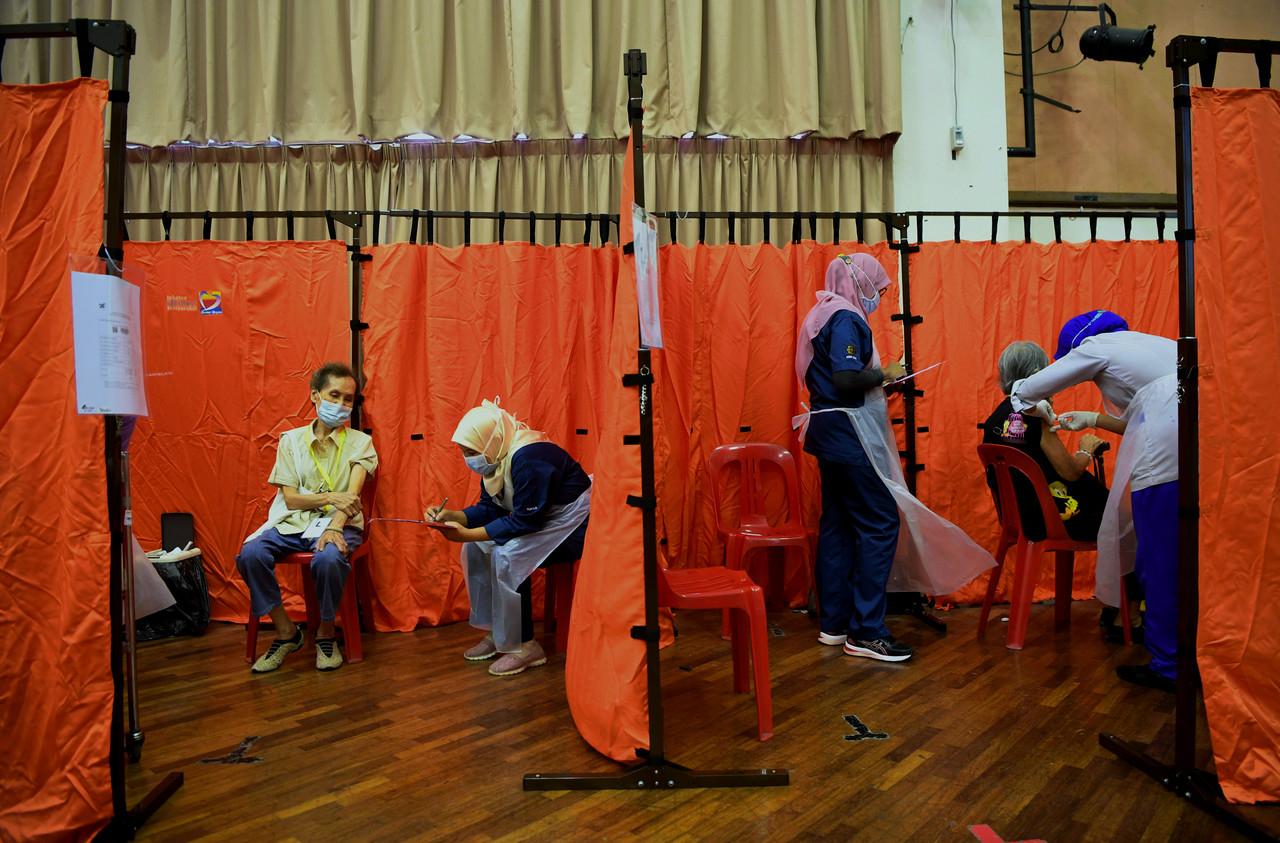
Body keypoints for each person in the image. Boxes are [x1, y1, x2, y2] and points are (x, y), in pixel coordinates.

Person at [793, 254, 994, 663]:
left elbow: (831, 377)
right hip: (847, 432)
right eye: (879, 288)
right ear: (859, 281)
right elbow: (846, 380)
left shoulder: (820, 313)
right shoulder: (845, 317)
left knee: (837, 523)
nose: (882, 295)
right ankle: (867, 632)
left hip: (827, 430)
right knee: (880, 520)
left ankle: (835, 624)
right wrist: (886, 374)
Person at [1010, 310, 1177, 692]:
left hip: (1165, 454)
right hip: (1197, 442)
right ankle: (1197, 652)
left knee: (1160, 559)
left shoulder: (1096, 346)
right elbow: (1146, 412)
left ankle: (1170, 665)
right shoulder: (1158, 347)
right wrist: (1092, 419)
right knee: (1185, 553)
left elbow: (1025, 390)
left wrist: (1038, 405)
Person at [426, 400, 591, 677]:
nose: (469, 459)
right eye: (464, 452)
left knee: (508, 554)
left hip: (576, 526)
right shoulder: (496, 455)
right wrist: (453, 516)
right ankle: (499, 632)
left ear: (491, 439)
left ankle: (525, 645)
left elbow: (526, 521)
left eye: (471, 451)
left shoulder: (530, 457)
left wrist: (465, 534)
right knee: (477, 547)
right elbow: (491, 507)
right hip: (544, 520)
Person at [236, 362, 378, 673]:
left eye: (348, 399)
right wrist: (329, 496)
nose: (341, 405)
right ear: (315, 395)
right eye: (334, 395)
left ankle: (326, 631)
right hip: (292, 522)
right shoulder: (290, 441)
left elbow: (351, 499)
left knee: (329, 558)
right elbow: (291, 498)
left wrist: (334, 528)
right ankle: (287, 631)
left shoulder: (361, 443)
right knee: (250, 554)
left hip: (339, 523)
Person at [983, 341, 1109, 543]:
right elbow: (1070, 472)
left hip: (1018, 518)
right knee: (1126, 518)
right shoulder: (1035, 414)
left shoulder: (994, 420)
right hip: (1054, 518)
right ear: (1038, 374)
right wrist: (1086, 450)